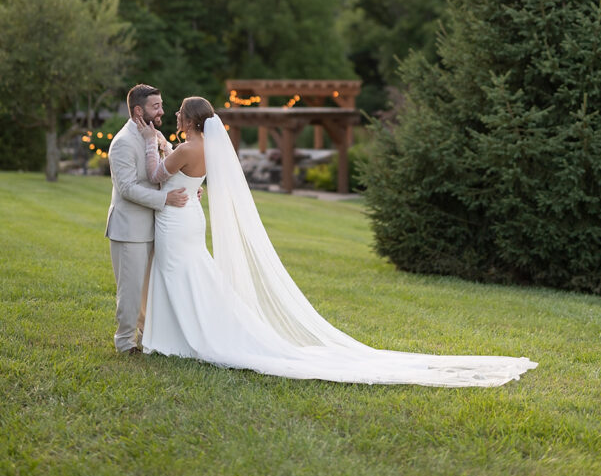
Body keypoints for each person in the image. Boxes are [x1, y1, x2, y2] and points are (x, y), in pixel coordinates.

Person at [136, 96, 538, 387]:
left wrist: (151, 142)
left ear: (188, 119)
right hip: (189, 216)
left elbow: (156, 176)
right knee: (192, 273)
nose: (171, 115)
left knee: (177, 273)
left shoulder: (186, 147)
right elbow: (185, 171)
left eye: (177, 113)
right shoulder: (204, 149)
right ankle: (185, 332)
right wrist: (166, 148)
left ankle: (180, 337)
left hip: (176, 217)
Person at [105, 84, 188, 354]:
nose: (162, 110)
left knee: (150, 290)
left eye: (162, 105)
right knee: (130, 290)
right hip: (129, 228)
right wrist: (166, 199)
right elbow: (127, 188)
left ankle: (149, 336)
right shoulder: (122, 143)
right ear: (139, 110)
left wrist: (187, 186)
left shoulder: (155, 135)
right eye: (156, 106)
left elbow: (165, 169)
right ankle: (125, 342)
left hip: (158, 226)